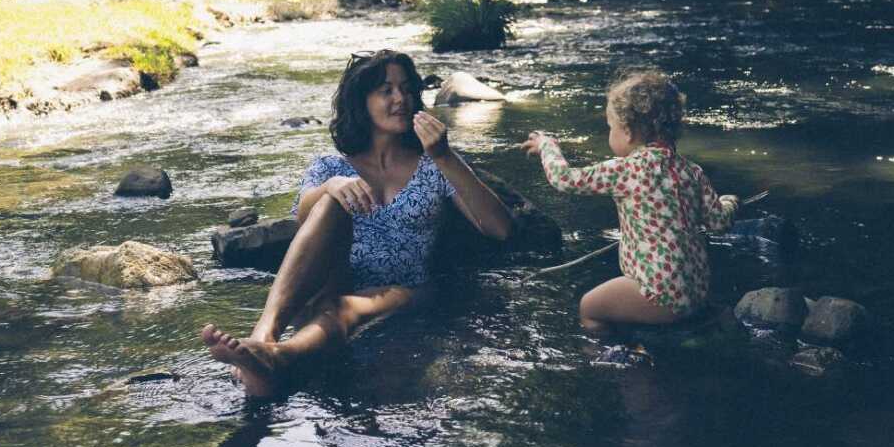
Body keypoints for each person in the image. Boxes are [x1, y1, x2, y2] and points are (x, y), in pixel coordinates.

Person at [202, 49, 513, 395]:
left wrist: (444, 154)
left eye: (407, 89)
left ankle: (276, 358)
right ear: (361, 102)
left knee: (343, 309)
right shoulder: (328, 167)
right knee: (330, 206)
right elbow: (305, 223)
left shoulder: (434, 164)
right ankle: (264, 335)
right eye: (386, 90)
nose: (401, 99)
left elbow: (500, 229)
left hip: (403, 289)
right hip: (333, 278)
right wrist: (330, 188)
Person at [524, 67, 739, 330]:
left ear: (627, 131)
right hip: (697, 290)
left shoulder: (625, 170)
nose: (609, 134)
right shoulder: (691, 171)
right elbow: (719, 222)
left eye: (610, 127)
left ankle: (613, 359)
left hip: (662, 296)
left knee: (588, 306)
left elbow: (564, 179)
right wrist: (729, 202)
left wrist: (548, 146)